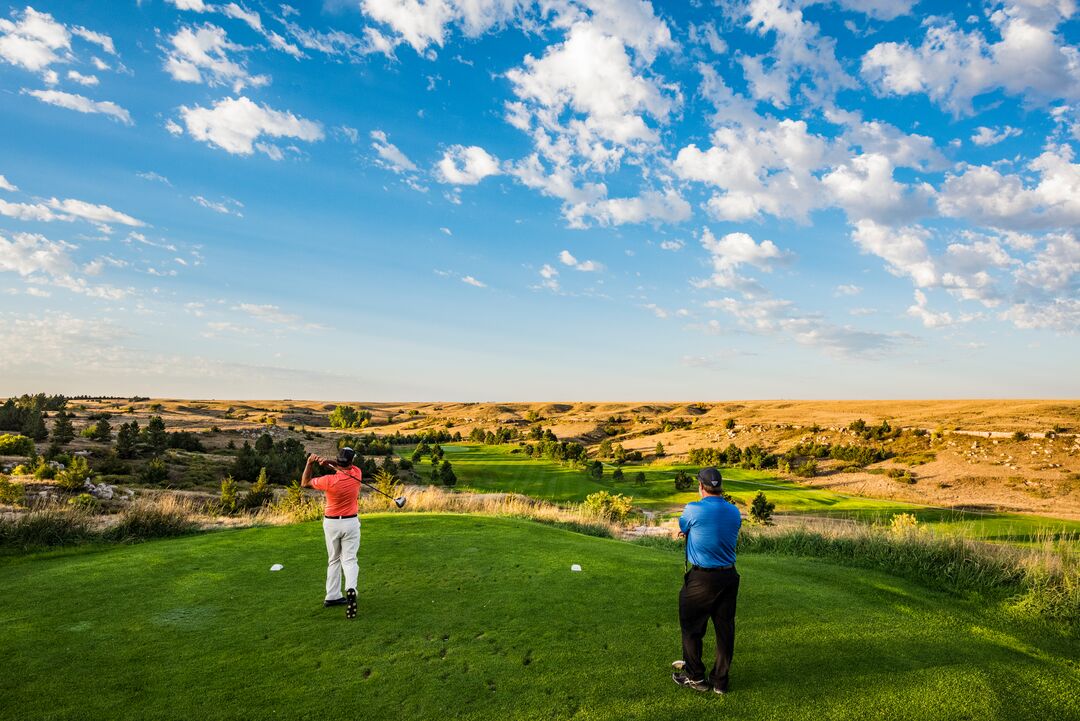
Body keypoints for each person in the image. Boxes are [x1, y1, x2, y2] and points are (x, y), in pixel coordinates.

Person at [671, 467, 742, 694]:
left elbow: (684, 527)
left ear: (700, 487)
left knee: (692, 629)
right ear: (720, 487)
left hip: (702, 578)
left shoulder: (693, 508)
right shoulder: (734, 511)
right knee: (724, 630)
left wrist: (688, 533)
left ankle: (696, 677)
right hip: (729, 577)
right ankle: (720, 682)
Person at [301, 447, 363, 619]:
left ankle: (332, 595)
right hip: (351, 522)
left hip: (332, 523)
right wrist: (326, 463)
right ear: (352, 461)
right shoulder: (357, 474)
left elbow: (305, 482)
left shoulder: (329, 481)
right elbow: (343, 467)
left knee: (334, 559)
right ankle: (351, 588)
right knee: (350, 559)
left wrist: (310, 463)